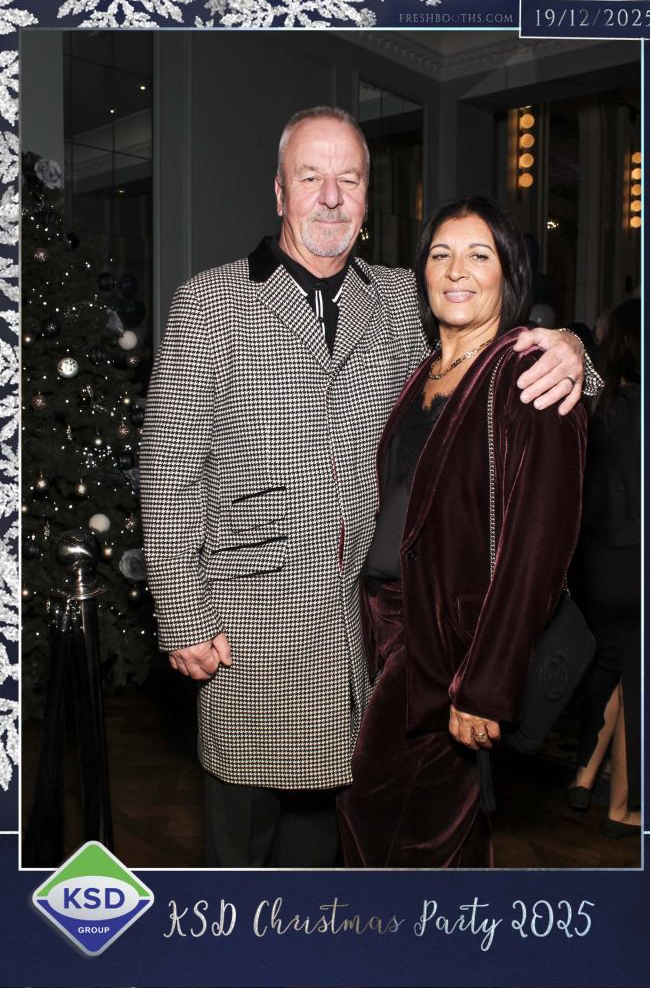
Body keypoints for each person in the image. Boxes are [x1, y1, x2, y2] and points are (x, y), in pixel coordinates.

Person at [140, 107, 593, 869]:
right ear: (278, 192)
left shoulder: (397, 297)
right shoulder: (210, 305)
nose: (330, 197)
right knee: (241, 853)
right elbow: (169, 471)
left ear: (366, 196)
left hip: (367, 642)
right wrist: (183, 613)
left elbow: (494, 340)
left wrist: (574, 350)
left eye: (348, 179)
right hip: (248, 633)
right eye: (310, 177)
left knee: (332, 851)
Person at [337, 196, 587, 868]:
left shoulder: (527, 378)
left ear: (509, 274)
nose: (456, 270)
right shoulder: (424, 370)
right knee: (438, 833)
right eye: (440, 254)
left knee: (373, 816)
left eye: (479, 255)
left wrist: (485, 683)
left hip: (452, 644)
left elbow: (537, 550)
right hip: (388, 628)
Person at [566, 298, 640, 837]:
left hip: (593, 565)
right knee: (636, 681)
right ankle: (624, 808)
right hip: (636, 563)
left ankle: (584, 778)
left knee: (610, 666)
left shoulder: (593, 406)